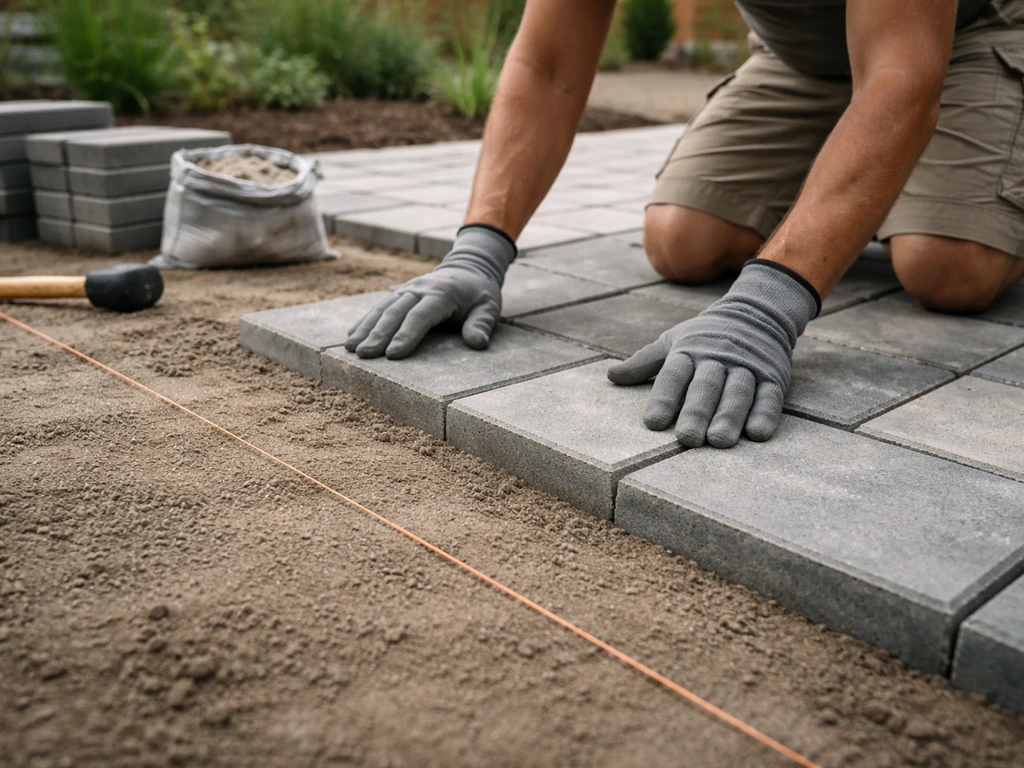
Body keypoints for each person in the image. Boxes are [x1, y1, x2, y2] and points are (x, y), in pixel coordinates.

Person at [345, 0, 1024, 449]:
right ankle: (862, 179)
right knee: (682, 240)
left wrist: (769, 303)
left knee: (948, 265)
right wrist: (478, 248)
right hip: (799, 58)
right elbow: (548, 62)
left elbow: (902, 75)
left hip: (959, 35)